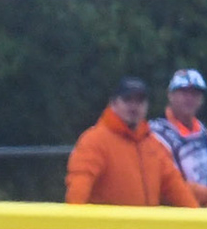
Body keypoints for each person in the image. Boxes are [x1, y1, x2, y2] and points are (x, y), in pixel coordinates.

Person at [65, 77, 198, 207]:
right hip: (110, 228)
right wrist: (74, 224)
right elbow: (79, 186)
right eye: (127, 100)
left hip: (147, 228)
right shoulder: (95, 141)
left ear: (147, 106)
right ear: (113, 103)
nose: (134, 107)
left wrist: (198, 221)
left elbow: (176, 187)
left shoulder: (154, 145)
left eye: (140, 101)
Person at [150, 68, 207, 206]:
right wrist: (198, 193)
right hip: (171, 215)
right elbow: (160, 182)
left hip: (204, 212)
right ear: (170, 95)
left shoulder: (204, 134)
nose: (189, 98)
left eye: (195, 93)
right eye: (184, 92)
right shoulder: (155, 134)